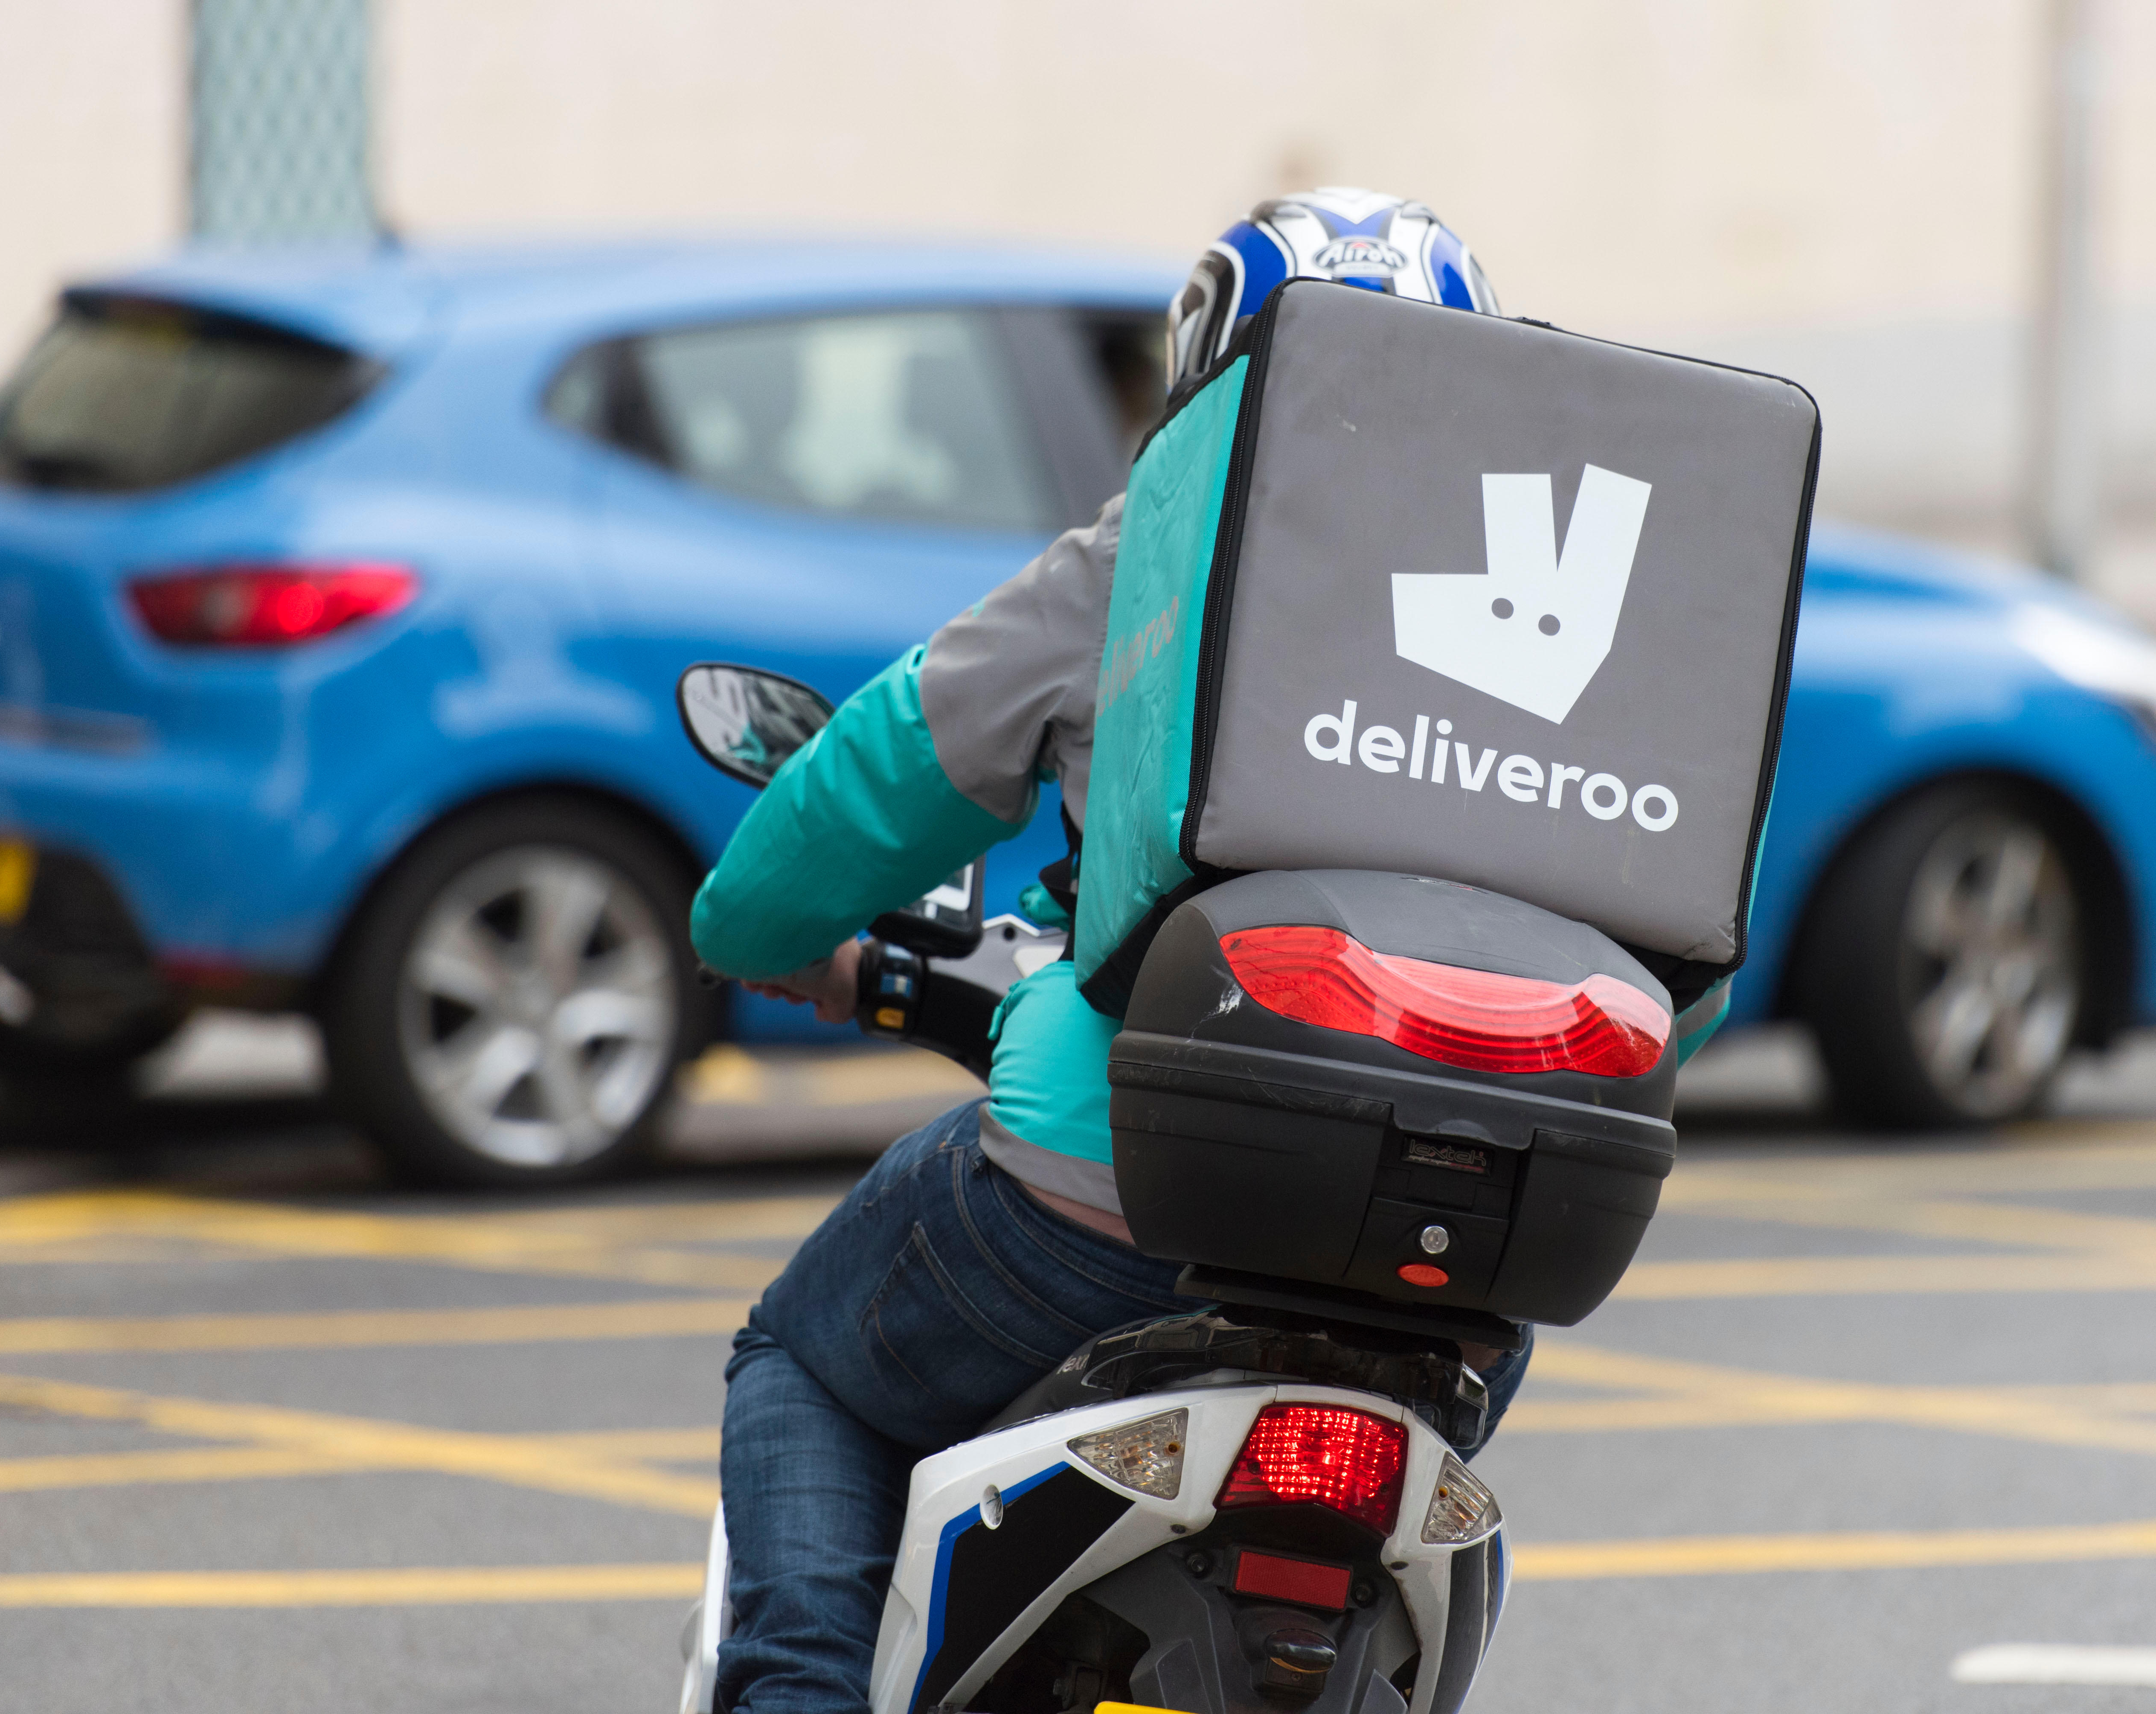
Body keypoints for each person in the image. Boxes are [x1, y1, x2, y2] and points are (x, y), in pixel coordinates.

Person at [690, 187, 1727, 1714]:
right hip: (1461, 1265)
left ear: (1203, 378)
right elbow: (1675, 975)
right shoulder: (1585, 629)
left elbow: (870, 781)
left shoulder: (1147, 563)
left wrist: (759, 935)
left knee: (806, 1368)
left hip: (1095, 1214)